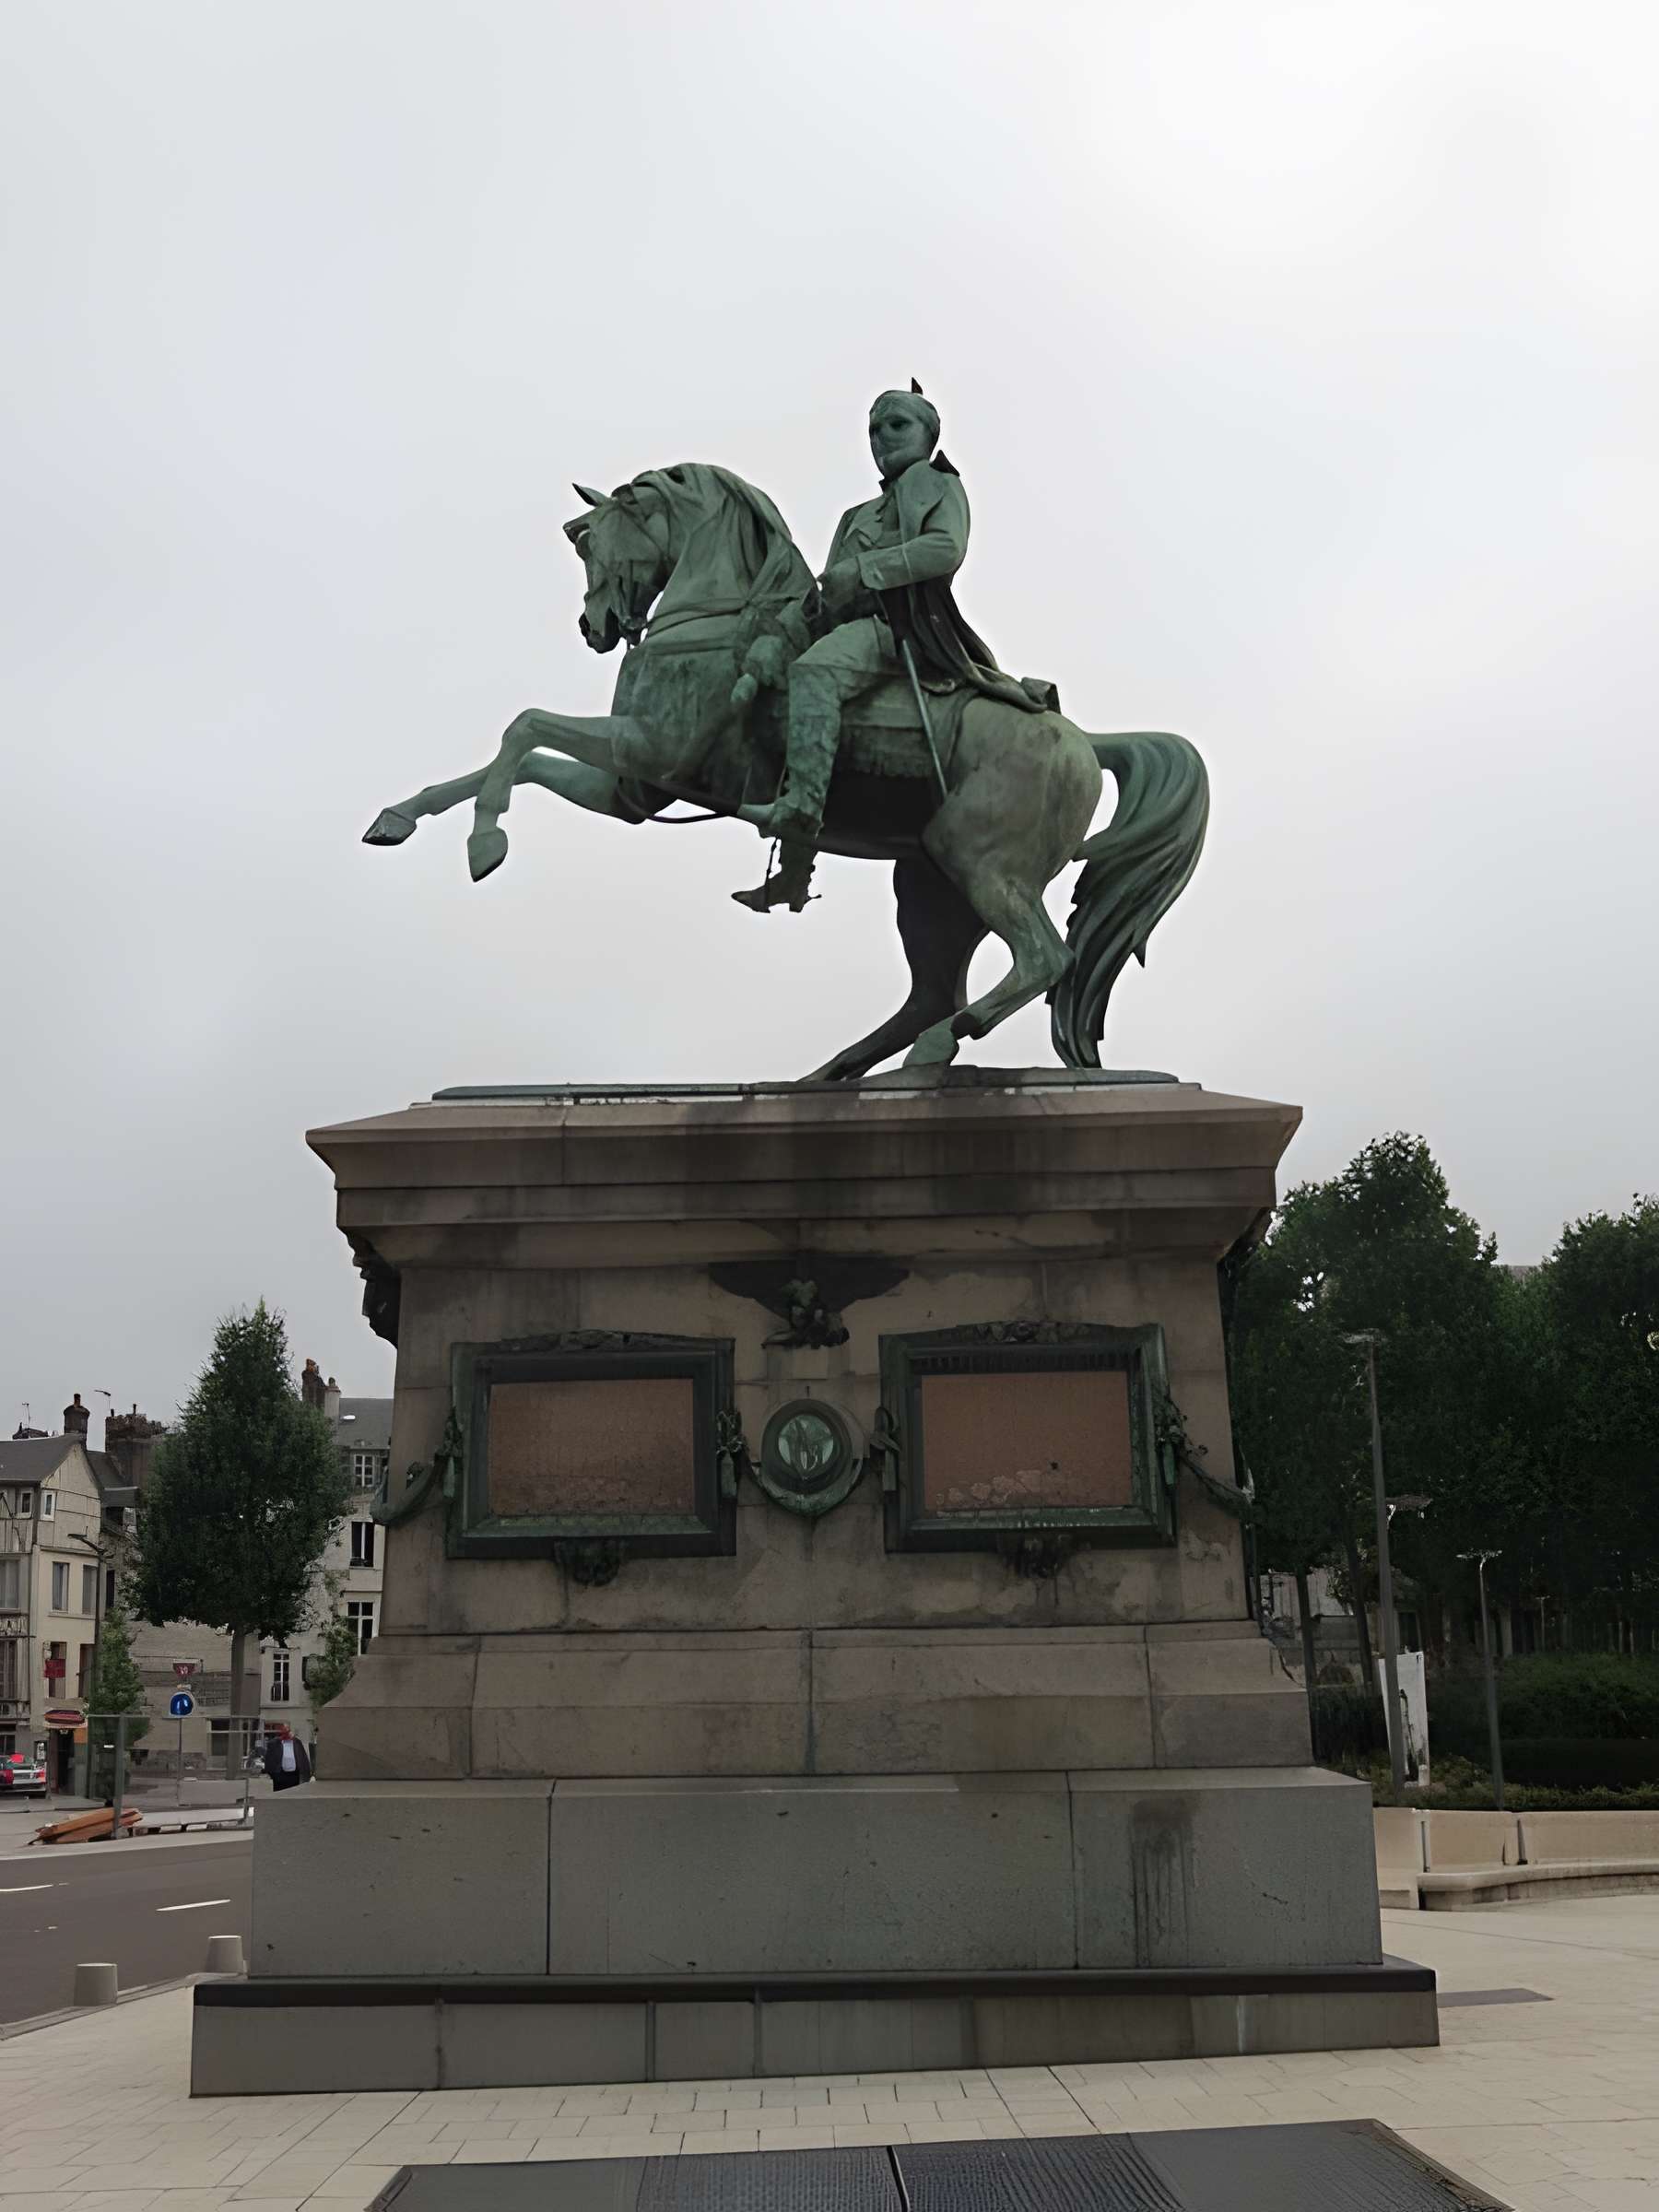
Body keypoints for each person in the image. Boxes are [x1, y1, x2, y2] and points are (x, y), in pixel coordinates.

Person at [740, 383, 1041, 872]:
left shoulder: (940, 483)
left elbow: (946, 548)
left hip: (900, 625)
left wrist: (864, 570)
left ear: (928, 433)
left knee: (816, 673)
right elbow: (824, 596)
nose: (882, 438)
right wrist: (778, 638)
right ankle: (795, 869)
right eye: (874, 430)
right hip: (849, 627)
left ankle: (800, 809)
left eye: (897, 425)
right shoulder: (853, 517)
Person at [262, 1722, 312, 1792]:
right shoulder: (274, 1743)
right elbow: (268, 1759)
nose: (286, 1733)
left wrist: (306, 1772)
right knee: (280, 1795)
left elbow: (303, 1757)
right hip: (280, 1775)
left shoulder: (297, 1742)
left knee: (293, 1794)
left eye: (287, 1730)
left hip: (294, 1775)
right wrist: (273, 1775)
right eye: (284, 1731)